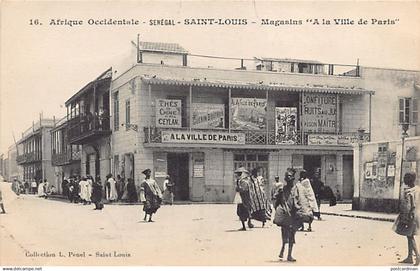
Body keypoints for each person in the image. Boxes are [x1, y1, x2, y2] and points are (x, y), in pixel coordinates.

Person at [393, 172, 419, 266]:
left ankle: (417, 256)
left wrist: (406, 219)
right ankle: (409, 257)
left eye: (405, 178)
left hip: (410, 216)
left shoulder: (409, 192)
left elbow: (410, 206)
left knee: (410, 236)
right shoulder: (417, 189)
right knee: (409, 235)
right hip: (416, 215)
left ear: (409, 179)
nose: (404, 179)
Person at [273, 168, 299, 262]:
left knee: (292, 234)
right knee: (285, 233)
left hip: (293, 214)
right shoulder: (282, 189)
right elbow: (275, 199)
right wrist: (279, 210)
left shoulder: (296, 188)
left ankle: (288, 254)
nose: (289, 180)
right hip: (285, 215)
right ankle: (284, 248)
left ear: (293, 179)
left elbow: (299, 200)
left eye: (290, 178)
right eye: (287, 178)